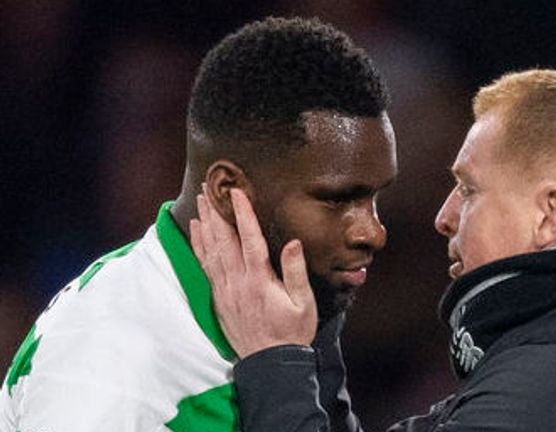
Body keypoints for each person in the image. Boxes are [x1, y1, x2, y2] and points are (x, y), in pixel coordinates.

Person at [193, 69, 556, 431]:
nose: (444, 216)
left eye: (469, 190)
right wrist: (315, 330)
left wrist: (272, 359)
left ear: (550, 214)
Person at [0, 17, 396, 431]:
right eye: (336, 199)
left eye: (374, 196)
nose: (373, 232)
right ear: (227, 190)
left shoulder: (281, 326)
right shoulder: (113, 373)